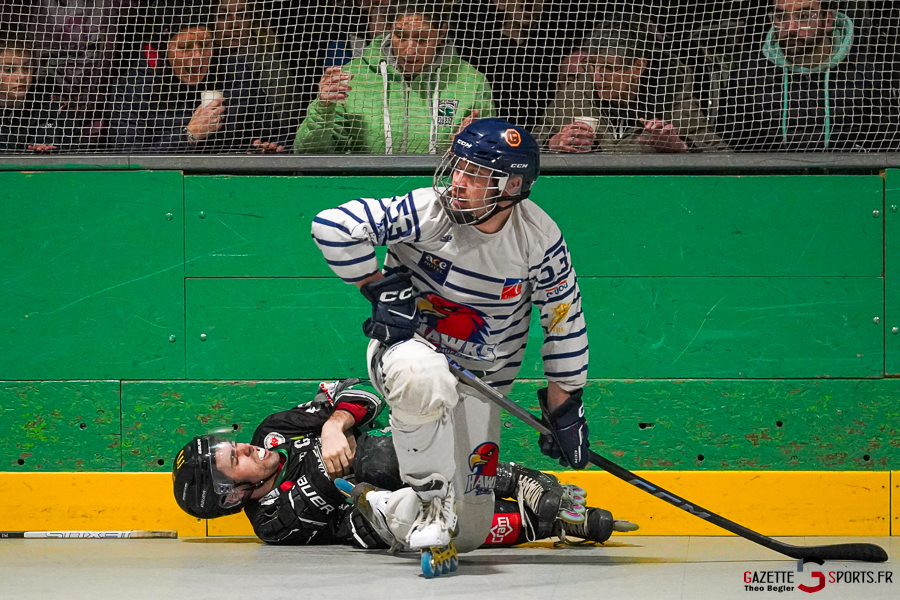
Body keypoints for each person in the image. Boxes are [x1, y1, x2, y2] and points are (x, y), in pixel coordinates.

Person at [310, 118, 592, 575]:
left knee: (471, 531)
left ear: (512, 186)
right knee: (423, 376)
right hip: (406, 354)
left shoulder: (539, 239)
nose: (458, 180)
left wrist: (565, 407)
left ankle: (384, 507)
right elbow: (332, 225)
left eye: (477, 174)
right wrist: (377, 287)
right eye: (458, 166)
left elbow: (564, 319)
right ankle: (430, 501)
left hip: (482, 382)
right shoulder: (427, 209)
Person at [172, 378, 635, 548]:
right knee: (407, 512)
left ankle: (513, 479)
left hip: (402, 461)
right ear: (232, 495)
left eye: (234, 444)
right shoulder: (272, 523)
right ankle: (545, 521)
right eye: (235, 459)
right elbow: (335, 482)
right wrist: (337, 444)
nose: (246, 447)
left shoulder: (272, 431)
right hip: (381, 521)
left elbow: (360, 392)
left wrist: (334, 423)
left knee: (377, 452)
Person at [293, 0, 495, 154]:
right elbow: (307, 152)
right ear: (389, 30)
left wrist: (470, 147)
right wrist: (323, 109)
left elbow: (489, 159)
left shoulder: (470, 82)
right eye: (401, 36)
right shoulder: (354, 76)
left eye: (422, 39)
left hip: (439, 191)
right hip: (364, 190)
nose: (410, 51)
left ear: (441, 32)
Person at [716, 0, 898, 151]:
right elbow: (732, 141)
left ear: (827, 21)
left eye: (804, 16)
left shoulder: (869, 74)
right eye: (781, 17)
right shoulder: (749, 75)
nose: (791, 28)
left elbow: (889, 145)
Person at [109, 3, 282, 153]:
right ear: (164, 48)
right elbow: (129, 155)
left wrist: (265, 148)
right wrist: (189, 135)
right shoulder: (138, 83)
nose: (198, 56)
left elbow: (273, 130)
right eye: (185, 47)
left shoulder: (235, 72)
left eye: (205, 45)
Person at [538, 19, 726, 153]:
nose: (597, 77)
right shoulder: (573, 97)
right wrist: (552, 143)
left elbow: (721, 154)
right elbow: (531, 144)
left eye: (609, 67)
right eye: (592, 65)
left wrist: (681, 147)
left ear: (638, 67)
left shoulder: (673, 97)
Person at [0, 35, 67, 153]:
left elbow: (73, 144)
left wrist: (50, 149)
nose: (21, 76)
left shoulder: (51, 109)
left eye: (27, 68)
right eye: (9, 70)